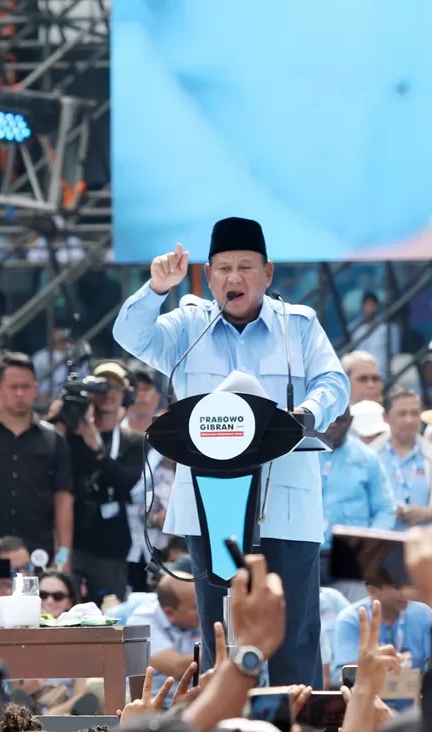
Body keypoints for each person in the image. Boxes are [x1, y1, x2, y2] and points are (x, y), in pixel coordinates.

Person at [113, 218, 348, 687]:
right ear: (208, 275)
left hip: (285, 506)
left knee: (295, 632)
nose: (233, 278)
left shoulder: (296, 326)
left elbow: (334, 383)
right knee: (222, 631)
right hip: (210, 506)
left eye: (245, 267)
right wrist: (157, 288)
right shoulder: (187, 326)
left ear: (268, 273)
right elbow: (131, 337)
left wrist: (307, 412)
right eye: (222, 268)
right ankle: (226, 729)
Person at [0, 353, 74, 566]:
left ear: (36, 388)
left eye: (26, 387)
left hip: (38, 555)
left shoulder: (54, 441)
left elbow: (63, 500)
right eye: (13, 387)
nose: (20, 393)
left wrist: (63, 560)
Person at [66, 361, 147, 602]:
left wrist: (97, 450)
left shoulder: (134, 441)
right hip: (74, 538)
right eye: (102, 387)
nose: (108, 394)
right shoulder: (70, 436)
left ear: (126, 395)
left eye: (116, 387)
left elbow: (125, 485)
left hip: (112, 546)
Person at [318, 408, 395, 572]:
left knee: (351, 598)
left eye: (340, 420)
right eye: (328, 418)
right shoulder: (303, 454)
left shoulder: (367, 458)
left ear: (351, 421)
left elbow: (385, 509)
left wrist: (369, 545)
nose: (333, 425)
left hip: (351, 554)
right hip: (307, 550)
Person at [378, 388, 432, 529]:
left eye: (415, 413)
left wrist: (427, 514)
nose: (409, 420)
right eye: (402, 414)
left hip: (423, 545)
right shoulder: (371, 455)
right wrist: (384, 509)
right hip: (378, 545)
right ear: (386, 417)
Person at [329, 585, 432, 686]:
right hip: (369, 698)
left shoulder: (424, 614)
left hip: (417, 698)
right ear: (372, 589)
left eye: (407, 584)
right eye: (396, 587)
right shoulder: (350, 619)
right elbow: (351, 678)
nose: (405, 592)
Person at [127, 572, 201, 704]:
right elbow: (175, 668)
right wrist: (225, 650)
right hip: (154, 709)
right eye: (196, 607)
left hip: (194, 703)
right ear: (170, 613)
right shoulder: (141, 622)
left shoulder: (201, 618)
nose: (202, 609)